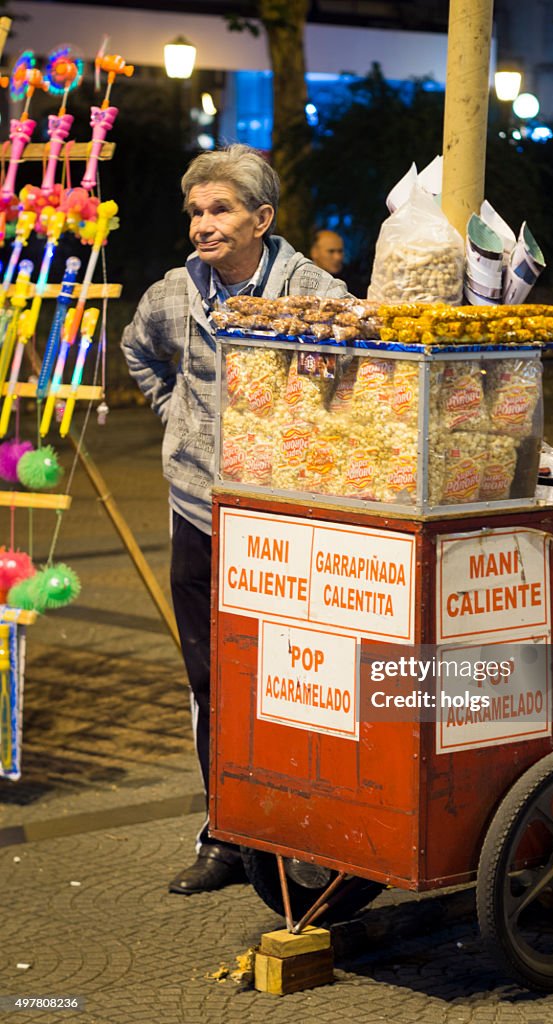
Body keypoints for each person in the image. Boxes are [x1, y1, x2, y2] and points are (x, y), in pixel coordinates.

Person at [121, 144, 349, 895]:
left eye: (219, 210)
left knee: (287, 680)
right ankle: (225, 833)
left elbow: (356, 368)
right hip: (199, 510)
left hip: (285, 519)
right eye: (194, 211)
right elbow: (137, 351)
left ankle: (294, 833)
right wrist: (180, 421)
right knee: (210, 679)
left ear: (261, 218)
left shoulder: (314, 290)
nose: (203, 225)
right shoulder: (172, 295)